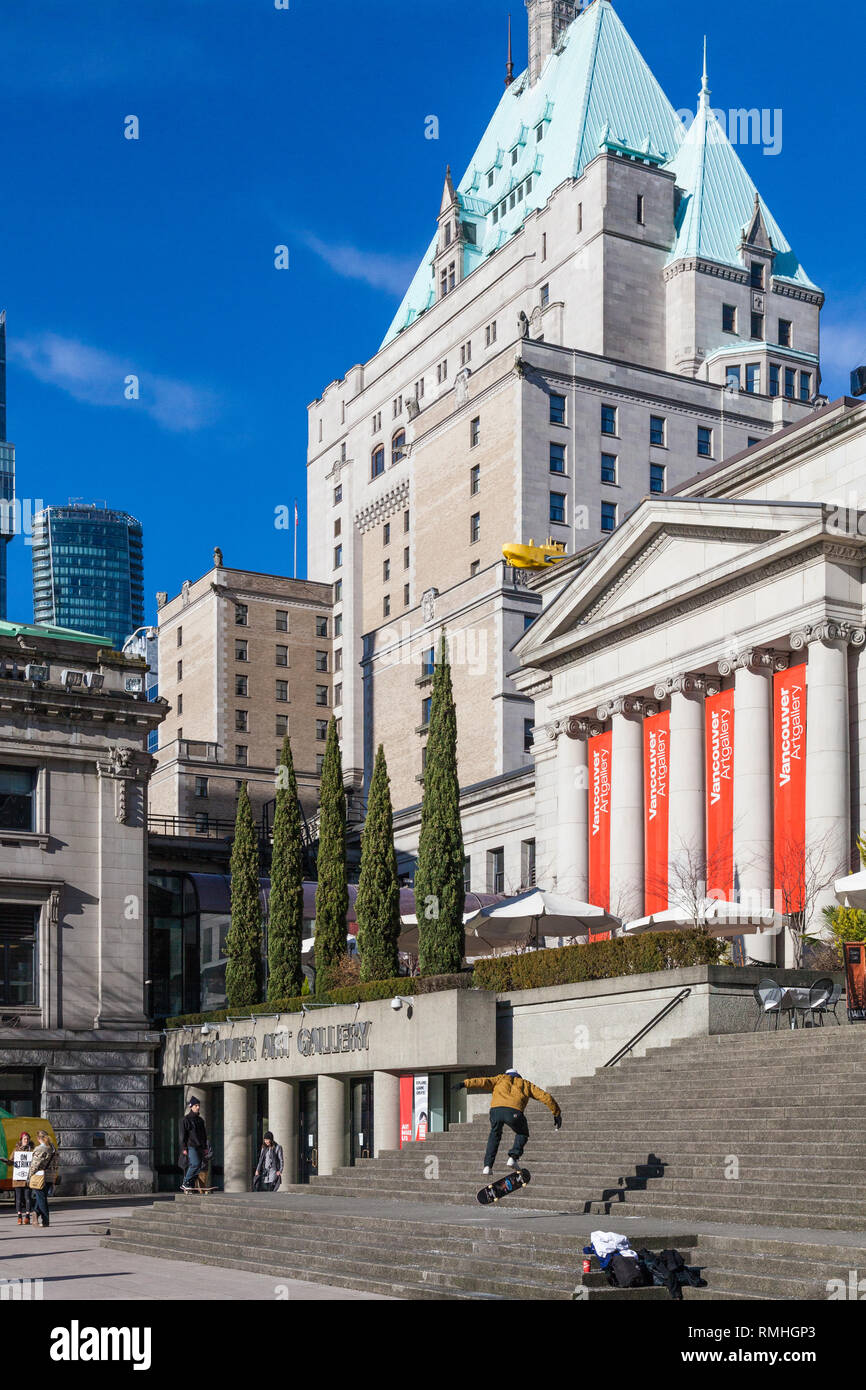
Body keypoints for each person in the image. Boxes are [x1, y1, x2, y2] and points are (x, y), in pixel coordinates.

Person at [454, 1068, 562, 1174]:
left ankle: (487, 1166)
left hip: (496, 1111)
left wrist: (463, 1084)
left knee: (494, 1135)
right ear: (518, 1076)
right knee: (522, 1133)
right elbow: (545, 1096)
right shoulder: (525, 1084)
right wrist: (556, 1113)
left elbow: (482, 1081)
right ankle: (513, 1158)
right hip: (514, 1112)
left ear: (506, 1074)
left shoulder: (500, 1079)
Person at [0, 1131, 35, 1225]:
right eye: (24, 1139)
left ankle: (27, 1216)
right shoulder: (16, 1150)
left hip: (28, 1178)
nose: (26, 1140)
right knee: (18, 1198)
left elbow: (35, 1162)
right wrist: (6, 1161)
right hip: (18, 1178)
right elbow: (11, 1161)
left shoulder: (32, 1150)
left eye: (27, 1139)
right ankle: (19, 1216)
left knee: (28, 1197)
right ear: (21, 1140)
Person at [179, 1096, 208, 1193]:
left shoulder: (200, 1120)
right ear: (191, 1106)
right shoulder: (185, 1120)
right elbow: (183, 1135)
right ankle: (186, 1182)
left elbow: (204, 1135)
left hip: (200, 1146)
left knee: (199, 1166)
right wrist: (184, 1147)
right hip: (191, 1146)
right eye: (196, 1105)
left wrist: (205, 1147)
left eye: (199, 1105)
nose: (198, 1107)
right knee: (195, 1164)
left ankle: (190, 1185)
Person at [28, 1130, 56, 1229]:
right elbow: (55, 1165)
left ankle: (45, 1220)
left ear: (38, 1138)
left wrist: (29, 1176)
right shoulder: (52, 1148)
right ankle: (37, 1215)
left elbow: (34, 1164)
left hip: (39, 1176)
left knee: (41, 1198)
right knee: (42, 1198)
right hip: (50, 1176)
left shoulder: (39, 1149)